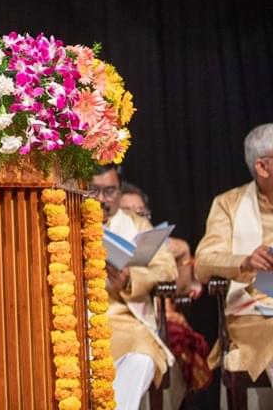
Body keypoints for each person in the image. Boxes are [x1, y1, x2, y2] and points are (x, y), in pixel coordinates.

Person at [91, 165, 178, 410]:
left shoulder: (136, 224)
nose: (101, 200)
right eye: (93, 191)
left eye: (110, 191)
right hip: (77, 317)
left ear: (120, 191)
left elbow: (167, 268)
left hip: (124, 317)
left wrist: (130, 278)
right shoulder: (67, 219)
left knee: (142, 357)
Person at [119, 182, 213, 405]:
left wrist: (183, 256)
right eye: (128, 213)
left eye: (141, 213)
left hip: (160, 317)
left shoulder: (164, 247)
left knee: (176, 341)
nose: (135, 218)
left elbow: (181, 290)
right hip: (117, 316)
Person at [195, 123, 273, 389]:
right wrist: (245, 261)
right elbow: (204, 262)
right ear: (262, 167)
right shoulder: (229, 204)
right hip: (252, 312)